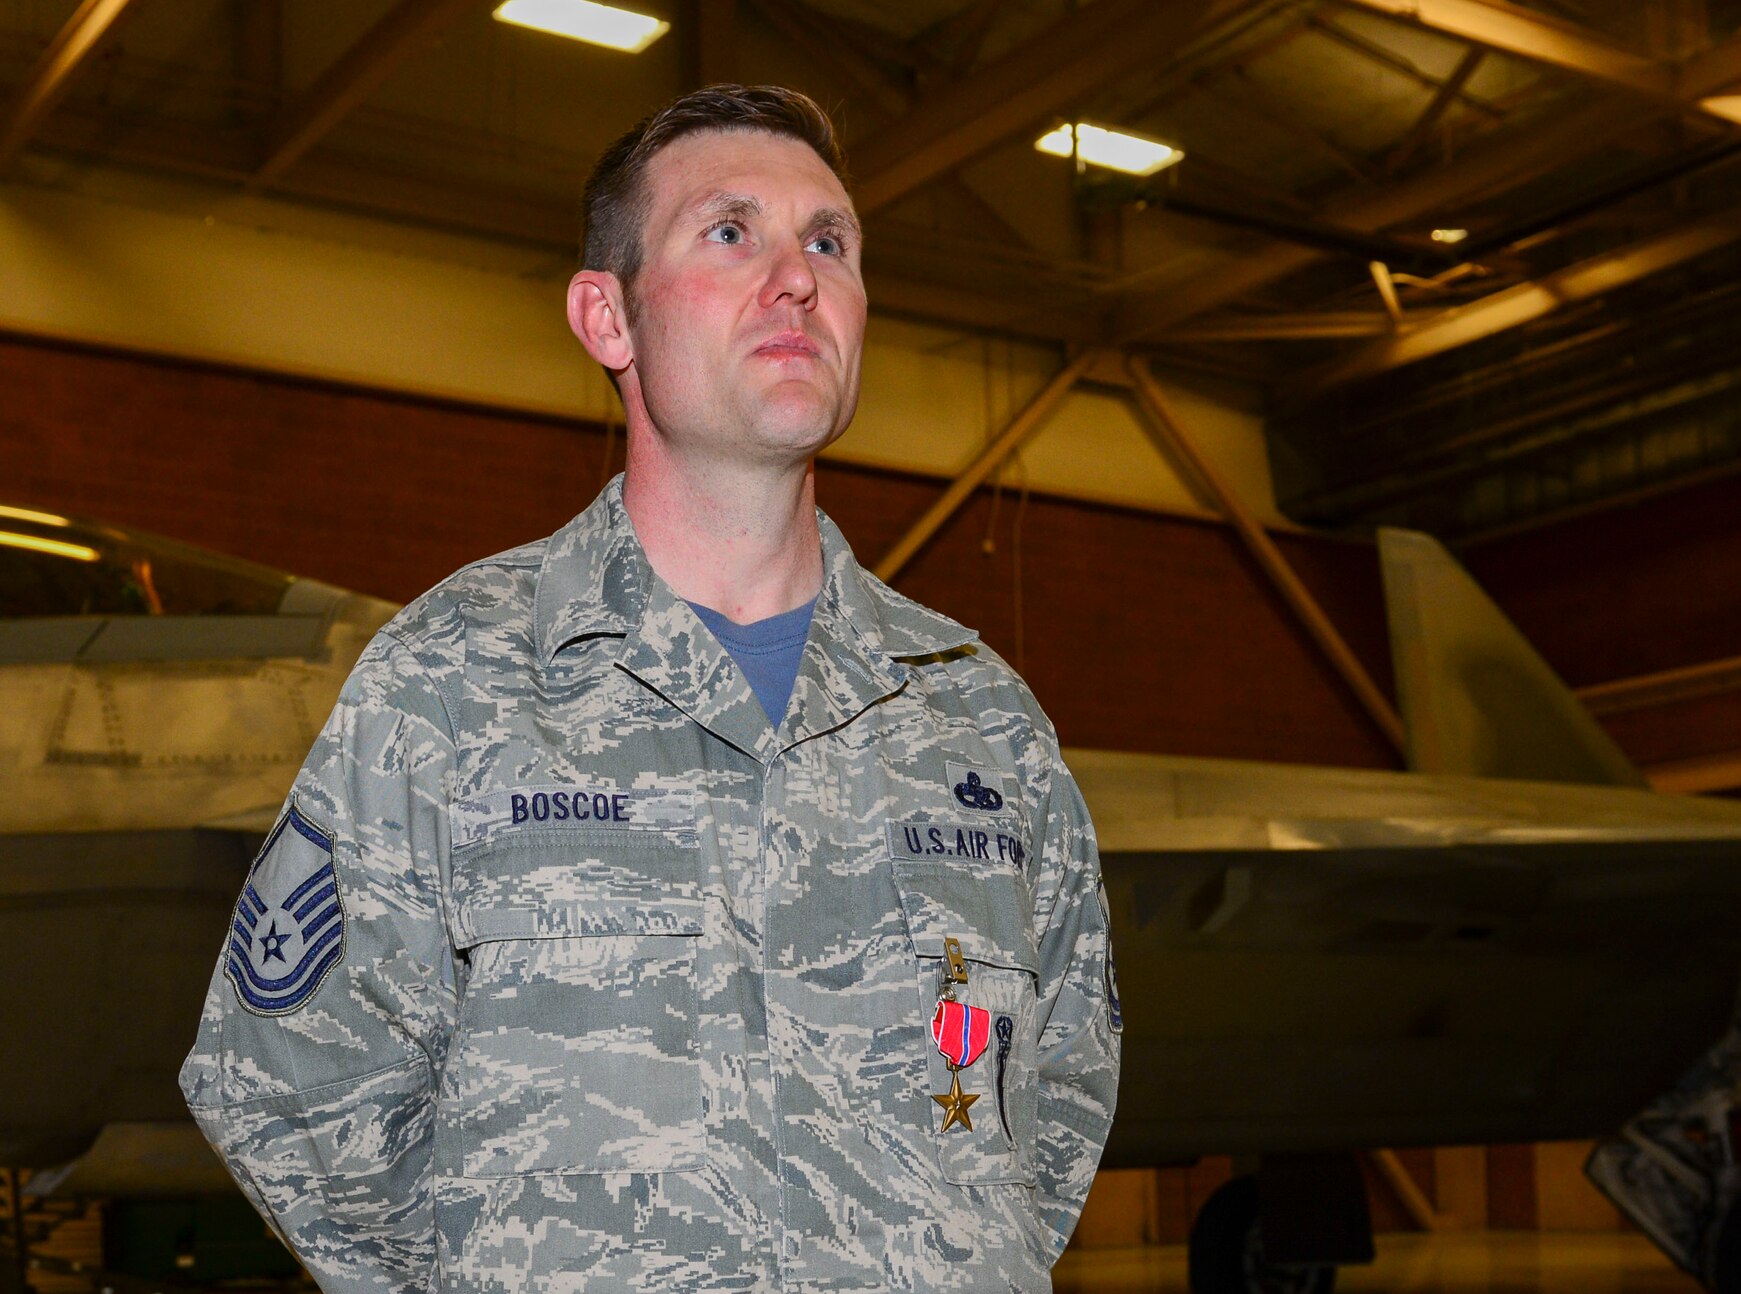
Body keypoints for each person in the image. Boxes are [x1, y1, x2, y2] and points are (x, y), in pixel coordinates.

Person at [179, 85, 1120, 1293]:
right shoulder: (454, 683)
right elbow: (289, 1091)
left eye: (828, 242)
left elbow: (1056, 1104)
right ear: (605, 315)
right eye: (730, 232)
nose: (798, 278)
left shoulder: (979, 719)